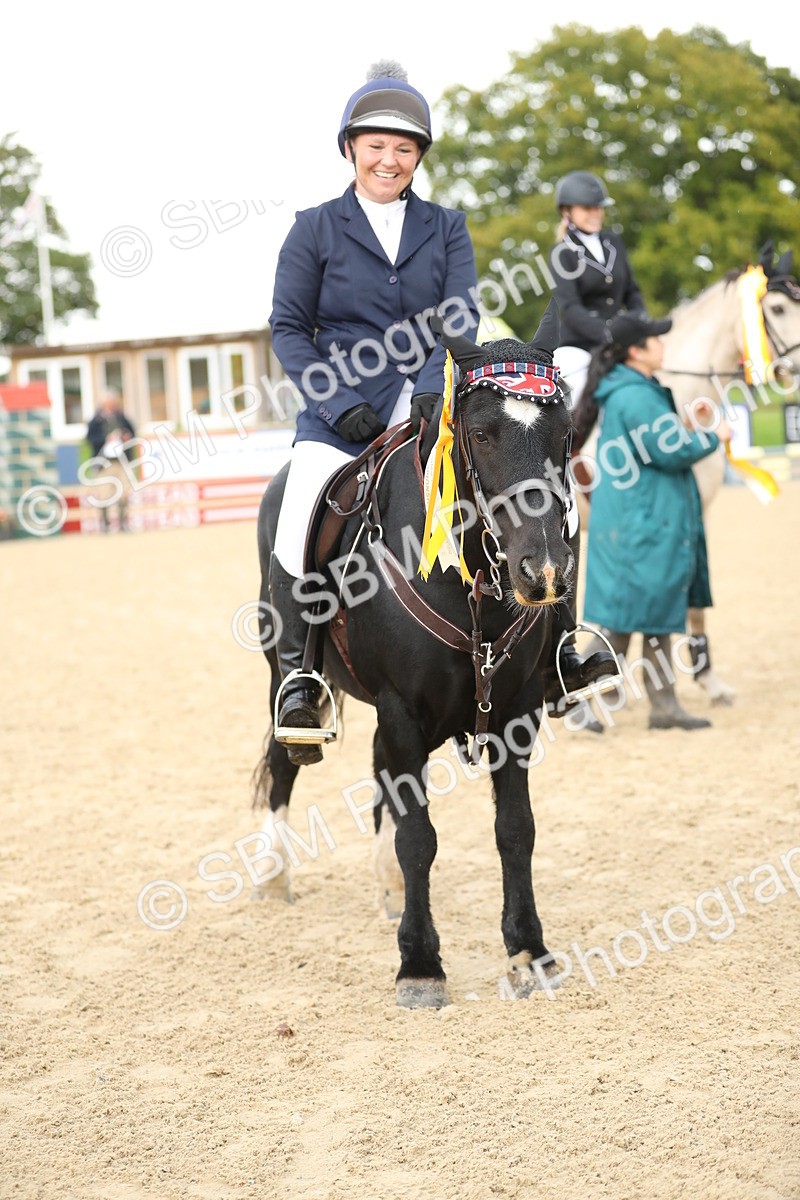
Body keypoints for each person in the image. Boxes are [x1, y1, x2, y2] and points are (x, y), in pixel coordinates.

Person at [268, 63, 614, 765]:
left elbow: (458, 317)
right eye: (376, 146)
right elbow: (287, 330)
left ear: (418, 157)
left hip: (433, 396)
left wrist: (432, 389)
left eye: (404, 149)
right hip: (338, 411)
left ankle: (562, 650)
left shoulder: (445, 226)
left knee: (543, 491)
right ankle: (300, 675)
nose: (389, 160)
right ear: (350, 150)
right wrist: (338, 402)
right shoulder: (313, 230)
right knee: (297, 510)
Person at [573, 312, 733, 730]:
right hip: (640, 525)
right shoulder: (635, 396)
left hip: (644, 521)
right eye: (656, 341)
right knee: (621, 621)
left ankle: (663, 706)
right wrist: (715, 437)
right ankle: (579, 699)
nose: (664, 346)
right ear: (635, 351)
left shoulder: (635, 390)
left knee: (656, 614)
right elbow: (670, 449)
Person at [549, 170, 647, 407]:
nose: (595, 214)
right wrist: (607, 333)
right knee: (580, 394)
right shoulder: (561, 253)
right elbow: (571, 308)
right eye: (587, 208)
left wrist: (639, 321)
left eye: (598, 207)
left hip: (621, 339)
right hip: (580, 344)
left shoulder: (614, 242)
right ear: (567, 212)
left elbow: (632, 292)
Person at [85, 390, 136, 532]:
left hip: (122, 462)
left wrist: (127, 437)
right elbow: (90, 439)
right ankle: (105, 525)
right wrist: (105, 439)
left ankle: (123, 523)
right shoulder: (96, 421)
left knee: (124, 492)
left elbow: (132, 433)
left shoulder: (121, 418)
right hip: (104, 463)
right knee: (104, 494)